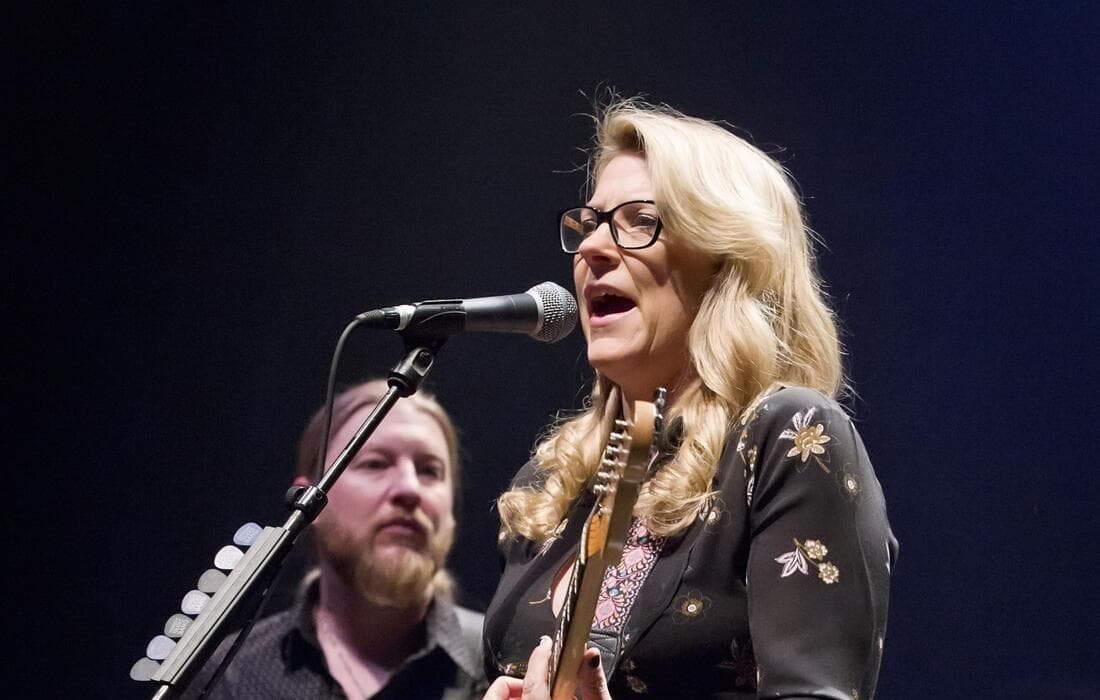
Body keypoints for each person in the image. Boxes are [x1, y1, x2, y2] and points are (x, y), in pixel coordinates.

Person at [481, 99, 898, 700]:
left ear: (727, 263)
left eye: (638, 220)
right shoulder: (553, 486)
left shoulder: (788, 438)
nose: (593, 249)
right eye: (590, 223)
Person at [186, 378, 487, 699]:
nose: (410, 489)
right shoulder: (229, 677)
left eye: (430, 470)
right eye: (375, 463)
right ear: (309, 501)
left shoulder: (504, 666)